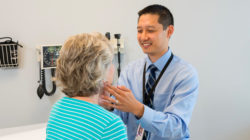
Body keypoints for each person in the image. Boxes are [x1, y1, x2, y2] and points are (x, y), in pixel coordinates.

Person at [101, 4, 199, 140]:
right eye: (140, 31)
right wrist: (109, 105)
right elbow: (121, 116)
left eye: (150, 31)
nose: (143, 37)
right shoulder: (130, 71)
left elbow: (177, 128)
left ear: (169, 31)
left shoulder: (185, 74)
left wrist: (139, 110)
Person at [46, 33, 128, 140]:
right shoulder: (111, 125)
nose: (113, 67)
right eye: (110, 62)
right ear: (101, 71)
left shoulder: (57, 109)